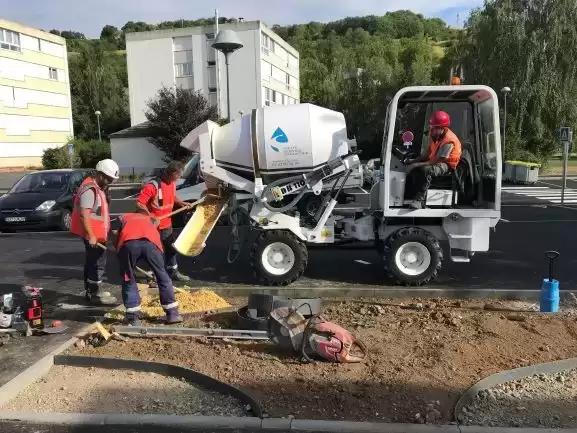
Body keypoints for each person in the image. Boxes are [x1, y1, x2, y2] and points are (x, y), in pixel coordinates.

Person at [112, 210, 183, 326]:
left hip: (129, 244)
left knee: (128, 279)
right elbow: (155, 226)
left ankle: (133, 318)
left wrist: (118, 249)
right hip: (151, 245)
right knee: (162, 276)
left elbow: (114, 233)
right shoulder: (149, 218)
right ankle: (173, 314)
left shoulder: (122, 217)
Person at [70, 159, 120, 305]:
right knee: (97, 263)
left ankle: (91, 290)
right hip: (93, 235)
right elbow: (83, 215)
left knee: (92, 262)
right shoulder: (90, 190)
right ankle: (95, 294)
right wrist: (91, 235)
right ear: (101, 175)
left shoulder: (97, 187)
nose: (110, 182)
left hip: (97, 233)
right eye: (109, 179)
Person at [136, 161, 192, 282]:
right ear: (172, 173)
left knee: (171, 248)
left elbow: (172, 196)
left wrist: (181, 203)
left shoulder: (171, 183)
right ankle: (153, 274)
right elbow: (140, 203)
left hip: (167, 224)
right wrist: (150, 216)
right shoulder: (153, 186)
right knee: (154, 251)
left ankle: (173, 271)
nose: (180, 177)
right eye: (179, 175)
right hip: (154, 225)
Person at [406, 111, 462, 209]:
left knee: (426, 170)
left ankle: (420, 201)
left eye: (435, 128)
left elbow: (437, 160)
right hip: (436, 160)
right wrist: (413, 161)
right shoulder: (436, 136)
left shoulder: (449, 141)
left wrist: (416, 165)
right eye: (431, 127)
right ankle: (410, 194)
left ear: (442, 128)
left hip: (446, 164)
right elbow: (428, 153)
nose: (431, 130)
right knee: (416, 168)